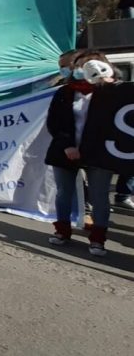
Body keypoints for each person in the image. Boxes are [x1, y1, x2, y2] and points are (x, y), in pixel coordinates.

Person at [45, 50, 116, 257]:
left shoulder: (112, 93)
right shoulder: (64, 92)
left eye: (89, 64)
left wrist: (111, 84)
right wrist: (67, 145)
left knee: (99, 196)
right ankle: (63, 231)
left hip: (99, 154)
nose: (82, 69)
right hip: (65, 152)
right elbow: (54, 122)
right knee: (63, 193)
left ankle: (98, 239)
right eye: (79, 65)